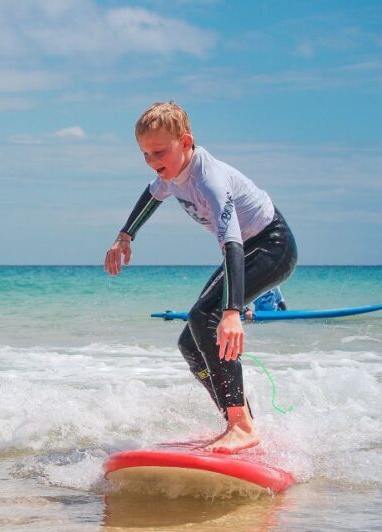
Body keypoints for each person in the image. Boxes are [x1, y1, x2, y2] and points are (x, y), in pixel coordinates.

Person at [104, 102, 297, 453]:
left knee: (205, 317)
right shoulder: (170, 175)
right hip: (247, 250)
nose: (151, 161)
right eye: (145, 154)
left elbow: (233, 245)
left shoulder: (210, 181)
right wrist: (125, 236)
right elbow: (151, 196)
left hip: (272, 246)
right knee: (190, 344)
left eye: (159, 151)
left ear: (186, 142)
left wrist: (233, 312)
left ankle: (242, 424)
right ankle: (236, 422)